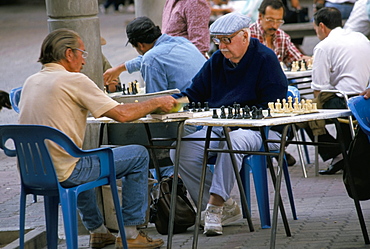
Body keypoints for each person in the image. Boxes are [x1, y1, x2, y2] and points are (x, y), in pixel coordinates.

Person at [18, 28, 178, 249]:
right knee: (138, 155)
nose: (84, 61)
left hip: (33, 173)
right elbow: (122, 114)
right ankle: (130, 234)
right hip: (67, 170)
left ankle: (98, 231)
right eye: (82, 53)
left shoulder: (30, 81)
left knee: (81, 155)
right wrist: (156, 102)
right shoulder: (73, 80)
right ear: (68, 54)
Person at [169, 12, 288, 236]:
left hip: (259, 131)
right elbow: (193, 94)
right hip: (221, 129)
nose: (222, 46)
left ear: (245, 36)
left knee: (232, 141)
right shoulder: (217, 60)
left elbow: (274, 106)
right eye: (218, 40)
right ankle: (225, 207)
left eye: (227, 40)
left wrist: (237, 121)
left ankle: (214, 208)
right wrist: (169, 105)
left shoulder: (265, 58)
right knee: (180, 149)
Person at [307, 7, 370, 175]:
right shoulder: (361, 37)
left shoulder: (323, 46)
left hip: (343, 100)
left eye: (315, 29)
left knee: (304, 115)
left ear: (321, 26)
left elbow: (318, 90)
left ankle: (336, 154)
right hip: (364, 99)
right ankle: (344, 152)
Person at [103, 16, 207, 94]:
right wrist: (121, 68)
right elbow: (152, 58)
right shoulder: (182, 42)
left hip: (192, 109)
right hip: (212, 99)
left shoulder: (152, 58)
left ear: (140, 45)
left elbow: (156, 102)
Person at [249, 0, 310, 69]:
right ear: (260, 16)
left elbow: (297, 58)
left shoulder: (282, 36)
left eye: (278, 21)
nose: (274, 25)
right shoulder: (247, 35)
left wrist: (307, 60)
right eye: (270, 20)